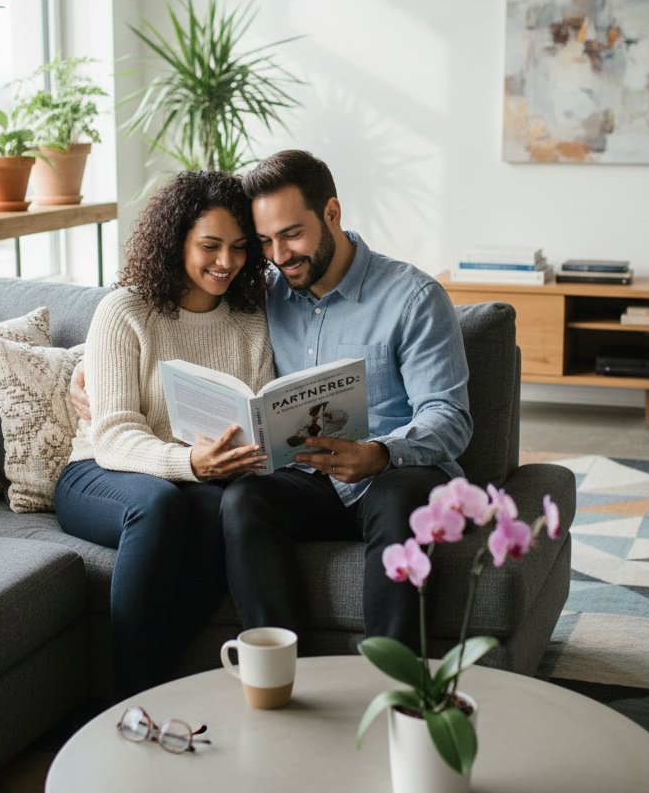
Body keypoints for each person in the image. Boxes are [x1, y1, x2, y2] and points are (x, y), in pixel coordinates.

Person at [220, 149, 473, 652]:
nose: (279, 255)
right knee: (244, 501)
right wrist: (83, 368)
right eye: (266, 241)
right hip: (312, 480)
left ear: (331, 213)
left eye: (291, 234)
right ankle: (287, 671)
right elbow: (174, 311)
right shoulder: (266, 294)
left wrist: (380, 453)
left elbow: (450, 417)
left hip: (396, 474)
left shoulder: (413, 297)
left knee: (395, 496)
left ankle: (394, 684)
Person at [55, 170, 273, 700]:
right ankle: (128, 701)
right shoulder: (125, 311)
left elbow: (259, 417)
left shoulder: (249, 322)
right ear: (176, 240)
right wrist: (190, 465)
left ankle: (139, 695)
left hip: (196, 485)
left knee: (212, 514)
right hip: (99, 474)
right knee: (160, 505)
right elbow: (111, 435)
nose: (227, 262)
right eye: (210, 246)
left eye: (240, 248)